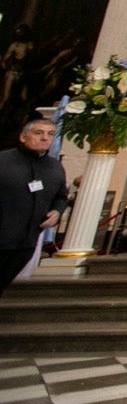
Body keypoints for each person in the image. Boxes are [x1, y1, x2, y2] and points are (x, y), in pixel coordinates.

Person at [1, 117, 67, 293]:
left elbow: (61, 197)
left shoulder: (55, 167)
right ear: (23, 137)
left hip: (26, 243)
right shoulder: (3, 161)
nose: (45, 138)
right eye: (38, 133)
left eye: (50, 134)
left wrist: (57, 212)